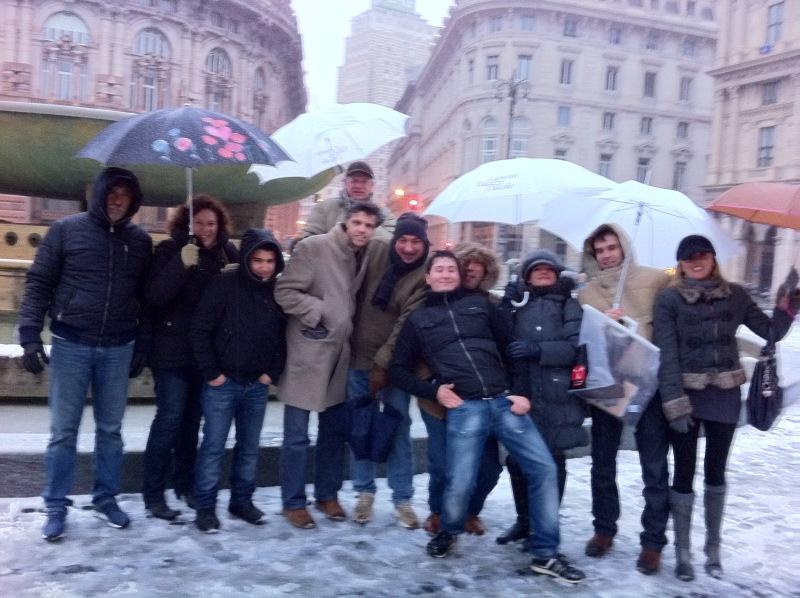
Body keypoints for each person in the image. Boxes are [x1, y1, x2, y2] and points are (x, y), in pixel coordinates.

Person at [389, 251, 585, 584]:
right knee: (460, 481)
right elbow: (398, 369)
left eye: (451, 269)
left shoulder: (481, 306)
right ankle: (450, 530)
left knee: (544, 468)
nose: (446, 274)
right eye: (439, 269)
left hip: (504, 401)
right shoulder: (419, 320)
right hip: (466, 408)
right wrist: (433, 391)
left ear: (458, 275)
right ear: (428, 277)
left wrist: (521, 392)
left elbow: (512, 349)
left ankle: (546, 553)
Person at [18, 167, 152, 541]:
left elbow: (146, 298)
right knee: (64, 431)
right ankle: (56, 505)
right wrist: (29, 335)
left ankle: (106, 498)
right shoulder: (66, 230)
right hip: (71, 343)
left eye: (126, 194)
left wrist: (143, 343)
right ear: (100, 194)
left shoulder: (139, 241)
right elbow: (39, 282)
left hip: (118, 346)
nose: (118, 200)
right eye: (113, 192)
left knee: (110, 430)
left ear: (134, 201)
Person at [653, 235, 795, 581]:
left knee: (716, 472)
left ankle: (712, 551)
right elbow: (666, 356)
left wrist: (787, 304)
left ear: (713, 258)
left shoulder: (736, 295)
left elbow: (770, 332)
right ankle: (683, 554)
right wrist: (674, 401)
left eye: (702, 255)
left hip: (725, 395)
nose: (696, 261)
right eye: (688, 257)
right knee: (683, 472)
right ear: (681, 263)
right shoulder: (669, 299)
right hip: (686, 395)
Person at [275, 202, 382, 529]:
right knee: (296, 436)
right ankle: (293, 501)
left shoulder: (363, 255)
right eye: (357, 222)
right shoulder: (314, 247)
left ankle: (327, 494)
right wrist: (318, 311)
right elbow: (284, 291)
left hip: (340, 356)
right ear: (346, 222)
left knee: (333, 433)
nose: (362, 229)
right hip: (307, 352)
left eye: (369, 225)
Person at [579, 223, 672, 574]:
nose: (606, 255)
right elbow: (584, 339)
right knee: (602, 462)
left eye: (611, 248)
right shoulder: (587, 293)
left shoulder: (654, 279)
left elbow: (672, 318)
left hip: (646, 382)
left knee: (654, 465)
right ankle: (604, 529)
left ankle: (653, 542)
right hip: (608, 383)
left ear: (623, 247)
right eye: (599, 250)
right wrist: (604, 324)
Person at [142, 195, 238, 520]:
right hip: (171, 352)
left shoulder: (226, 254)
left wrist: (234, 276)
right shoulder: (170, 250)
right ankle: (153, 493)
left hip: (206, 355)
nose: (206, 229)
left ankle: (185, 484)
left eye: (211, 223)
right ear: (187, 223)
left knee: (192, 422)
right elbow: (155, 296)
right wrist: (180, 266)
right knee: (169, 419)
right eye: (199, 223)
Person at [189, 229, 286, 533]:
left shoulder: (277, 291)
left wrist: (272, 372)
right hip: (224, 382)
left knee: (249, 447)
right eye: (257, 260)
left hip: (256, 384)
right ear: (246, 259)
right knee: (213, 447)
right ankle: (205, 507)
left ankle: (242, 501)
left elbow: (283, 337)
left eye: (269, 261)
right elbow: (200, 330)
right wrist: (212, 373)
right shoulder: (224, 284)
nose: (264, 267)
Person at [497, 249, 588, 544]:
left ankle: (545, 527)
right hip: (522, 391)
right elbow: (498, 337)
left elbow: (577, 347)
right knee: (516, 460)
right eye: (537, 269)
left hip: (556, 393)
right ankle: (524, 522)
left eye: (549, 268)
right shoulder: (516, 304)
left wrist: (538, 350)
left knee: (553, 460)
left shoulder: (568, 305)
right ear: (526, 276)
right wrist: (505, 304)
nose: (544, 271)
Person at [416, 241, 503, 537]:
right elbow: (410, 351)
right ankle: (438, 511)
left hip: (484, 399)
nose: (471, 272)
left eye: (478, 268)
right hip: (440, 400)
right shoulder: (430, 304)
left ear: (487, 274)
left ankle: (471, 511)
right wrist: (433, 383)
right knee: (443, 464)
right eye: (465, 267)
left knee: (489, 467)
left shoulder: (492, 305)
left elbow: (505, 346)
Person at [348, 212, 429, 529]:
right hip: (358, 358)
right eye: (403, 240)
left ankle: (402, 498)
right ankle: (364, 491)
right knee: (360, 427)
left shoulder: (424, 274)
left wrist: (382, 366)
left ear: (424, 244)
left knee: (398, 429)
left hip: (395, 365)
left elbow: (405, 325)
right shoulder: (378, 249)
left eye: (416, 242)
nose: (408, 248)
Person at [295, 161, 395, 243]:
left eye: (364, 181)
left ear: (372, 185)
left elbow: (392, 242)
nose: (358, 186)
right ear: (345, 183)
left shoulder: (383, 214)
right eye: (354, 181)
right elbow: (308, 238)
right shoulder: (324, 208)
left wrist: (369, 224)